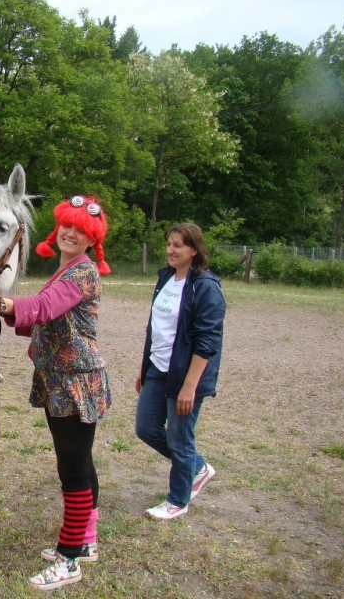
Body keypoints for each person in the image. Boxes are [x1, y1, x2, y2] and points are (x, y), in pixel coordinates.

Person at [0, 195, 111, 591]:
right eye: (68, 226)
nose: (72, 233)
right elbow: (41, 316)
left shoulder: (81, 273)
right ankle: (85, 542)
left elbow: (46, 306)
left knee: (73, 470)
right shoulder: (67, 268)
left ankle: (69, 560)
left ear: (91, 240)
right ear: (58, 229)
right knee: (79, 463)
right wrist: (9, 313)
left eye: (82, 230)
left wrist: (2, 304)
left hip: (74, 382)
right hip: (62, 379)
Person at [134, 222, 226, 520]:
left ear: (194, 251)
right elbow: (156, 329)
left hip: (185, 376)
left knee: (179, 439)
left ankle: (177, 500)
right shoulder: (166, 279)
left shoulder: (206, 287)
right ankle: (197, 467)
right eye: (169, 244)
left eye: (178, 245)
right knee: (146, 429)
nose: (170, 250)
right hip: (157, 369)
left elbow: (207, 342)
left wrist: (189, 387)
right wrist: (144, 368)